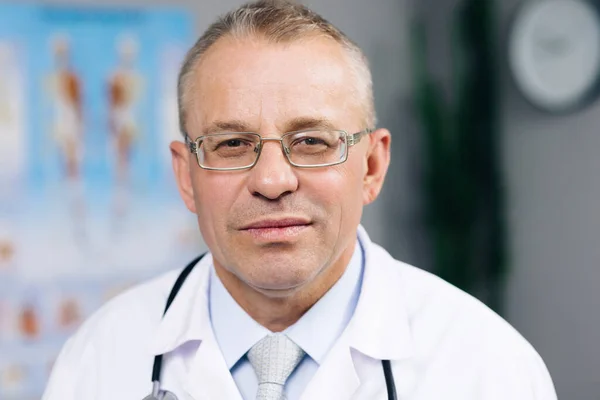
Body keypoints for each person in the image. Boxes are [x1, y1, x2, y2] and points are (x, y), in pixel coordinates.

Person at [42, 1, 557, 399]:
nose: (272, 180)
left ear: (372, 166)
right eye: (231, 144)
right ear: (186, 176)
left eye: (312, 142)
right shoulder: (98, 360)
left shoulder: (489, 368)